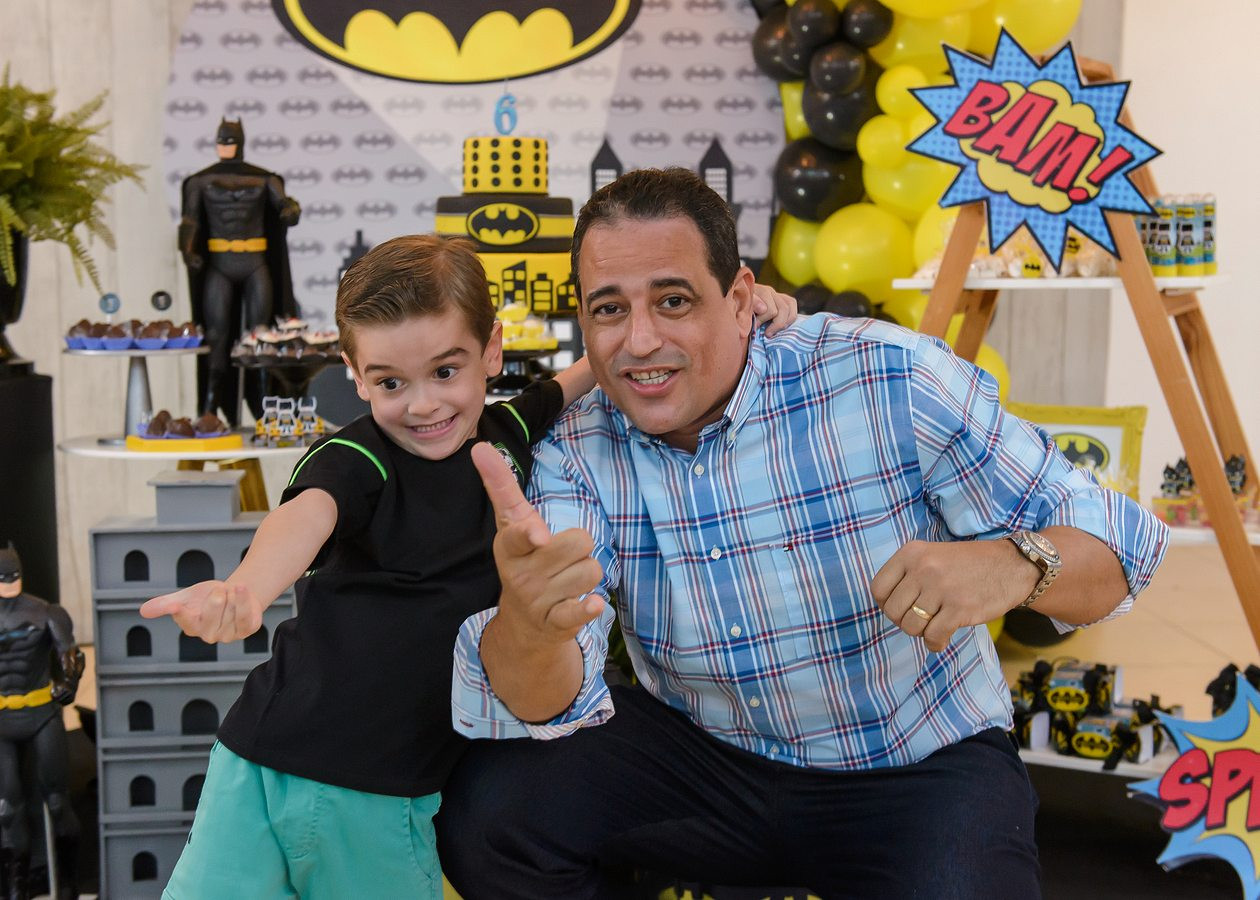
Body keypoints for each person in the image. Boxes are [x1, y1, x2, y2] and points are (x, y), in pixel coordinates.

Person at [440, 168, 1170, 899]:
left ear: (739, 299)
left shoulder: (887, 376)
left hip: (914, 767)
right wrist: (530, 626)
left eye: (673, 300)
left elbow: (1123, 546)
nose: (641, 340)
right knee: (495, 812)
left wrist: (1015, 564)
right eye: (609, 309)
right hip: (704, 765)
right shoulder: (575, 448)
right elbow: (542, 701)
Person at [139, 233, 795, 900]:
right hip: (293, 768)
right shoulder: (358, 458)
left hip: (335, 775)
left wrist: (734, 313)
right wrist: (248, 589)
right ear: (355, 374)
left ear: (491, 352)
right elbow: (306, 515)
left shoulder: (510, 431)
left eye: (445, 373)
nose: (423, 404)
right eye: (390, 383)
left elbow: (595, 367)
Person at [178, 118, 301, 426]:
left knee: (261, 337)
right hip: (220, 263)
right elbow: (190, 222)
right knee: (217, 337)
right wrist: (188, 250)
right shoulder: (200, 182)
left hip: (254, 261)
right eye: (222, 140)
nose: (226, 146)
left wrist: (290, 210)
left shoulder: (265, 180)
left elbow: (284, 207)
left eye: (230, 140)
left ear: (240, 142)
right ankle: (210, 408)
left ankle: (265, 410)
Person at [0, 543, 84, 900]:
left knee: (58, 802)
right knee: (7, 809)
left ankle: (68, 885)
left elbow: (70, 654)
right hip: (2, 721)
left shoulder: (47, 612)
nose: (9, 579)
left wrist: (68, 681)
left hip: (41, 713)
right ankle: (16, 888)